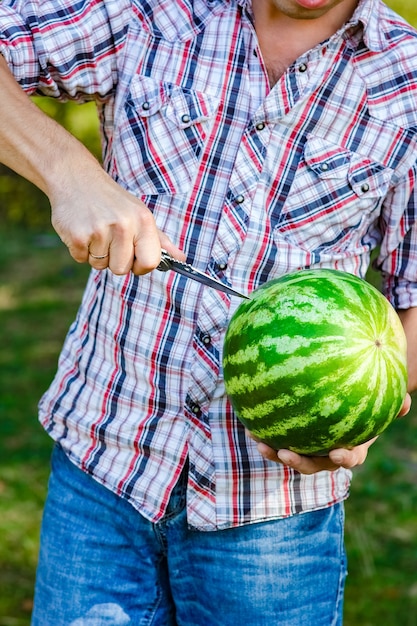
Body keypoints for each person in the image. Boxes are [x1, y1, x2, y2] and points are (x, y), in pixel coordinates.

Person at [0, 0, 416, 623]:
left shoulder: (407, 83)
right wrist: (69, 173)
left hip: (272, 522)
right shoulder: (150, 11)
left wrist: (359, 408)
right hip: (102, 477)